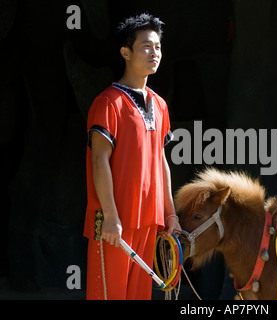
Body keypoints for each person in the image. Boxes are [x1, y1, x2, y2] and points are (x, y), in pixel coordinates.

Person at [83, 13, 180, 300]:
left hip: (149, 221)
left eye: (158, 47)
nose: (155, 53)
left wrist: (170, 213)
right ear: (126, 53)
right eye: (146, 46)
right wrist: (111, 215)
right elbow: (99, 160)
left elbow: (160, 160)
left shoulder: (160, 105)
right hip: (115, 223)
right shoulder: (107, 102)